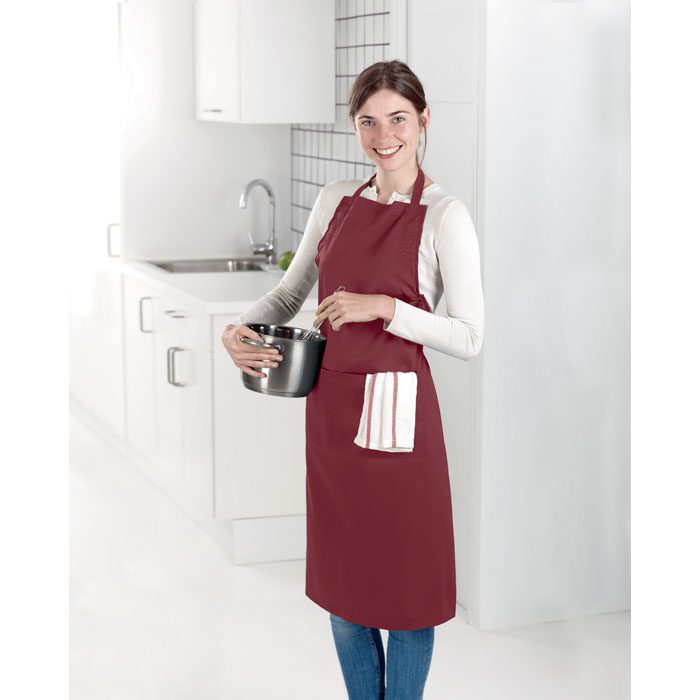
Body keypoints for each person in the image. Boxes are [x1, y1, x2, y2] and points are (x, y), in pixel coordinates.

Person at [221, 60, 484, 699]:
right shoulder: (336, 198)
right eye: (368, 121)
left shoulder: (445, 216)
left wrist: (386, 307)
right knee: (345, 595)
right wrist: (239, 328)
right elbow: (291, 293)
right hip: (334, 416)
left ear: (424, 120)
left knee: (408, 602)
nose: (383, 135)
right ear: (354, 125)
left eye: (398, 118)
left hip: (400, 424)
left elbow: (470, 337)